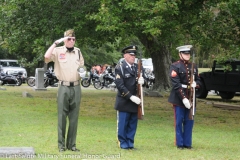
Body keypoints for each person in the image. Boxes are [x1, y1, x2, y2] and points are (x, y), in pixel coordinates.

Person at [44, 29, 84, 152]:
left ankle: (71, 145)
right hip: (63, 87)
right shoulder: (58, 51)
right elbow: (46, 57)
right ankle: (61, 145)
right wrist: (55, 43)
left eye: (73, 39)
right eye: (69, 39)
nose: (71, 41)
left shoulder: (78, 52)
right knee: (62, 116)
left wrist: (83, 73)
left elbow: (82, 67)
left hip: (76, 87)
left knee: (74, 117)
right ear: (64, 40)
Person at [168, 45, 201, 149]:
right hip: (179, 98)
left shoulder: (193, 66)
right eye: (185, 54)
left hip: (191, 96)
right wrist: (183, 98)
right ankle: (180, 143)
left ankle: (187, 143)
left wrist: (196, 84)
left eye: (188, 54)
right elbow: (176, 84)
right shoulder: (175, 66)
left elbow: (199, 80)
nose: (187, 56)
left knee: (189, 121)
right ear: (180, 54)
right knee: (179, 121)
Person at [114, 45, 145, 149]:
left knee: (132, 123)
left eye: (134, 55)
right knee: (123, 124)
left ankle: (130, 142)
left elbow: (143, 81)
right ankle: (122, 142)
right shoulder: (120, 68)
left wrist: (143, 81)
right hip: (124, 101)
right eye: (131, 55)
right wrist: (131, 97)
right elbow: (120, 85)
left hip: (135, 101)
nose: (133, 57)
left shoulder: (137, 67)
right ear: (125, 55)